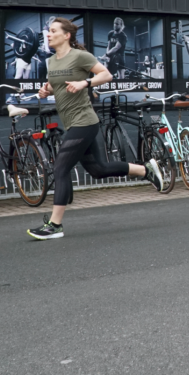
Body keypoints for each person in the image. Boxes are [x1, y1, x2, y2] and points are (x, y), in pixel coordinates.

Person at [28, 18, 165, 240]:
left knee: (61, 169)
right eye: (48, 31)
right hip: (72, 122)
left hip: (84, 121)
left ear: (66, 35)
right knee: (99, 169)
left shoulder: (80, 56)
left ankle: (55, 226)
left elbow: (106, 75)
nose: (49, 35)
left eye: (53, 31)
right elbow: (56, 84)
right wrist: (47, 91)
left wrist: (85, 83)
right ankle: (145, 170)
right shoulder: (52, 61)